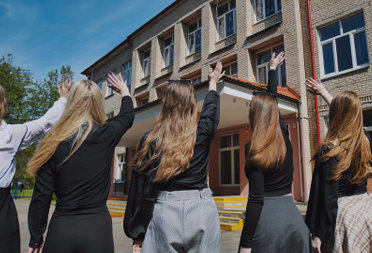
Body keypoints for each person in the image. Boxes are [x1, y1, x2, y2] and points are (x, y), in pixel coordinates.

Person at [27, 73, 134, 253]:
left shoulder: (54, 141)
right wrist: (124, 91)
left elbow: (41, 195)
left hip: (61, 231)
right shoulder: (107, 134)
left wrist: (35, 238)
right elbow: (127, 116)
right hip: (97, 232)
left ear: (72, 104)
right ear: (98, 104)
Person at [124, 62, 224, 253]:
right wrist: (212, 84)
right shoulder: (202, 132)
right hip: (201, 211)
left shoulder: (151, 139)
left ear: (167, 104)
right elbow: (211, 112)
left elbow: (141, 189)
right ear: (192, 104)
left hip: (164, 214)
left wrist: (137, 233)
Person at [304, 79, 372, 253]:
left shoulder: (328, 150)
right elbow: (348, 115)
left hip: (343, 217)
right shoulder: (364, 142)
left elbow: (323, 196)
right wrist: (323, 92)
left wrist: (317, 233)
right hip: (367, 212)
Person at [238, 52, 311, 253]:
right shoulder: (285, 140)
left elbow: (255, 199)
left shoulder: (253, 149)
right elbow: (273, 103)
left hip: (267, 223)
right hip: (293, 220)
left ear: (254, 116)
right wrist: (272, 71)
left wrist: (245, 244)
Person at [0, 77, 69, 253]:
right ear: (3, 105)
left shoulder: (11, 134)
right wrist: (62, 99)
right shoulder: (10, 134)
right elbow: (45, 123)